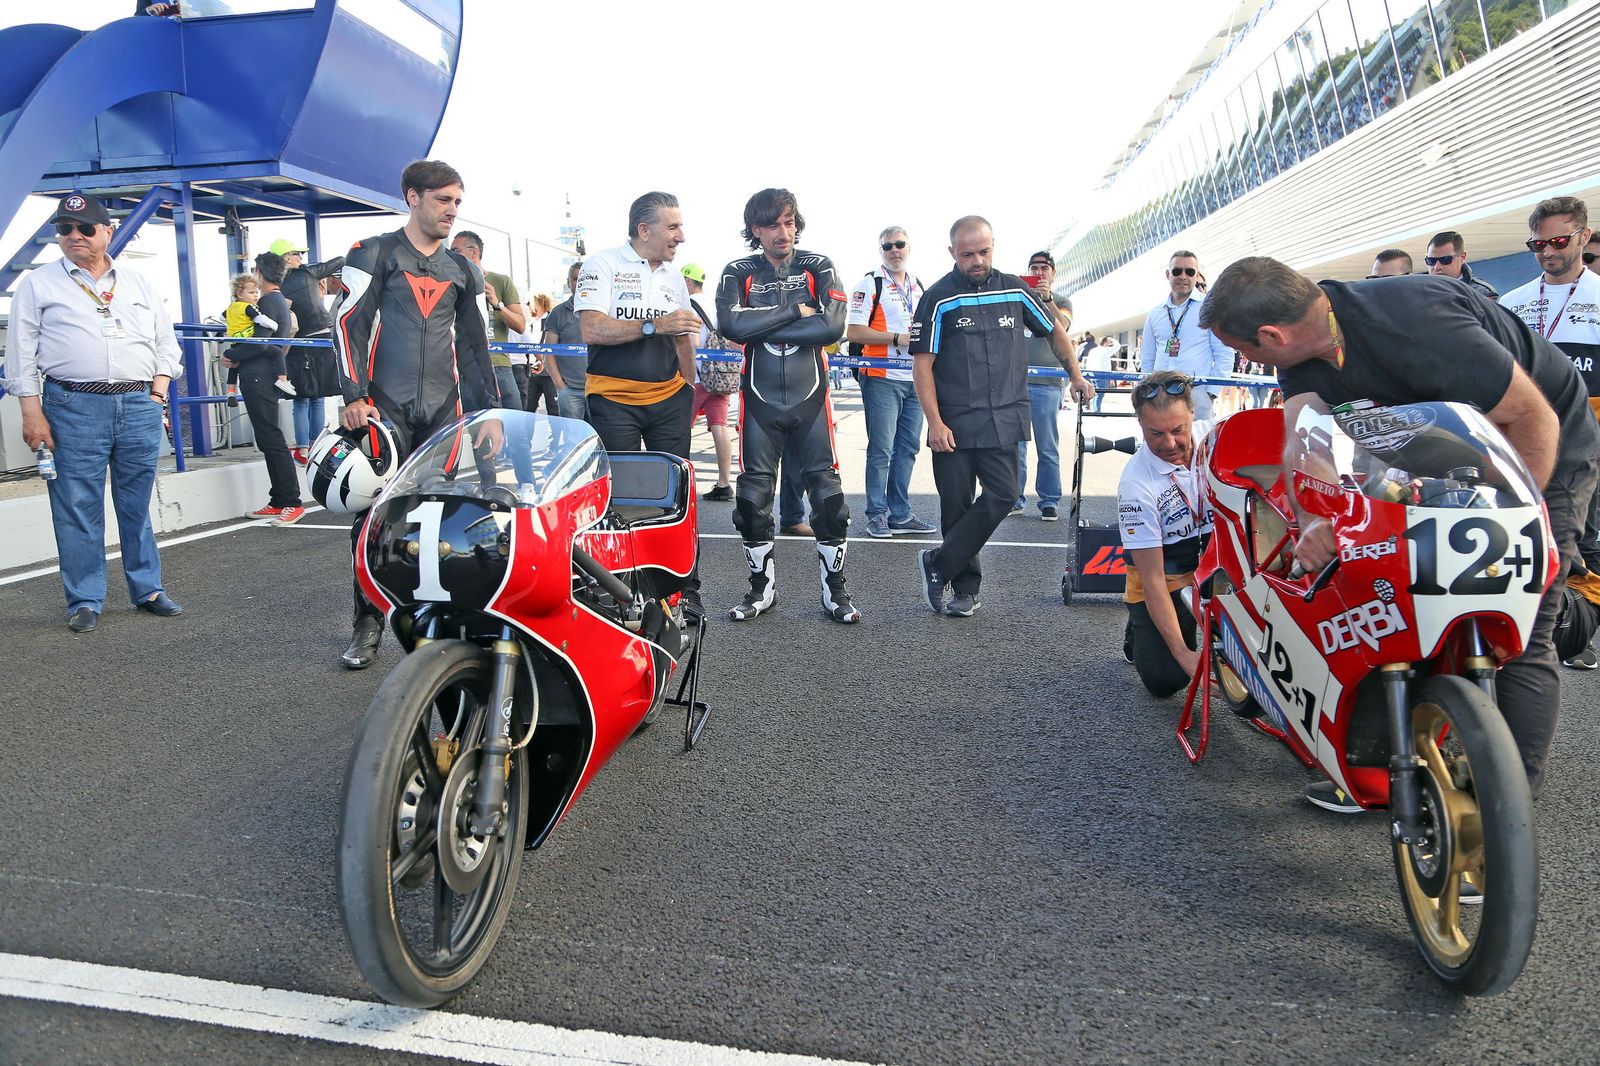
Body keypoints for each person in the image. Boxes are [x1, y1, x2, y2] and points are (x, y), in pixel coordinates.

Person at [1199, 256, 1600, 806]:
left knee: (1525, 616)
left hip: (1538, 445)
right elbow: (1300, 440)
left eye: (1247, 351)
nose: (1247, 361)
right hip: (1434, 447)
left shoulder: (1415, 324)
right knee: (1401, 594)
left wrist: (1509, 520)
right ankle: (1399, 764)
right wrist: (1316, 518)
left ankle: (1499, 821)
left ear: (1273, 334)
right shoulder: (1305, 352)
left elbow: (1534, 418)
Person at [330, 159, 499, 669]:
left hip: (445, 412)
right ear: (412, 197)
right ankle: (366, 624)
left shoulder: (464, 269)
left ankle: (433, 623)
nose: (451, 211)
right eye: (443, 200)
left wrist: (488, 410)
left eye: (457, 202)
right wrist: (355, 394)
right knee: (371, 518)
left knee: (442, 517)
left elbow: (474, 345)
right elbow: (348, 325)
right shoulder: (373, 252)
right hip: (383, 410)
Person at [2, 192, 185, 632]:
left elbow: (167, 345)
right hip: (72, 405)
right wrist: (32, 413)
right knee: (76, 505)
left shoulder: (138, 282)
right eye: (64, 229)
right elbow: (21, 355)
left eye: (85, 228)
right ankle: (84, 598)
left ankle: (148, 589)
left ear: (107, 231)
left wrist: (157, 394)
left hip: (139, 403)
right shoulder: (38, 283)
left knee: (136, 502)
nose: (74, 236)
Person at [910, 216, 1094, 618]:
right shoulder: (937, 298)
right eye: (967, 254)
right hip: (954, 422)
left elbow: (1054, 331)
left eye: (984, 251)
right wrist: (935, 422)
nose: (977, 260)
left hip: (1005, 417)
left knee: (1005, 494)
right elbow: (922, 366)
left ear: (994, 246)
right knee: (955, 507)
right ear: (952, 253)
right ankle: (965, 590)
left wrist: (1075, 374)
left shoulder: (1016, 289)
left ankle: (938, 563)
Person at [715, 188, 859, 623]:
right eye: (773, 224)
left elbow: (832, 327)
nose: (784, 232)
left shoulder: (819, 265)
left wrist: (765, 323)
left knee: (831, 502)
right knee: (750, 501)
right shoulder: (737, 271)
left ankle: (835, 592)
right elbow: (730, 325)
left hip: (810, 399)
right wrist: (797, 312)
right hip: (759, 403)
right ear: (755, 228)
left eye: (790, 222)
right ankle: (762, 591)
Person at [576, 191, 703, 617]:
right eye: (673, 227)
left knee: (677, 496)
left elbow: (683, 334)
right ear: (644, 229)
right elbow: (592, 330)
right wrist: (654, 324)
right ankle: (620, 591)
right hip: (614, 397)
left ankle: (683, 591)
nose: (681, 236)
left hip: (669, 396)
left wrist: (690, 383)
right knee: (621, 497)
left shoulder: (672, 275)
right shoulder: (602, 263)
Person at [1500, 195, 1600, 669]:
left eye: (1558, 241)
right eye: (1536, 244)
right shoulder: (1513, 302)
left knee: (1585, 536)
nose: (1546, 252)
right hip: (1521, 440)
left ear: (1583, 236)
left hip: (1587, 442)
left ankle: (1577, 631)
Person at [1117, 371, 1212, 696]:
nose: (1169, 444)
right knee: (1167, 681)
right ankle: (1141, 628)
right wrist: (1183, 654)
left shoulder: (1217, 438)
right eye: (1155, 434)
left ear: (1193, 414)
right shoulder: (1135, 485)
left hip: (1220, 570)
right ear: (1140, 425)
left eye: (1178, 430)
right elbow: (1154, 578)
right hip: (1166, 581)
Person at [845, 226, 935, 538]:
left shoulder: (919, 285)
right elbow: (854, 332)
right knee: (881, 449)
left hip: (916, 379)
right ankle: (876, 515)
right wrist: (898, 337)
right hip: (881, 377)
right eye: (888, 246)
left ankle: (901, 514)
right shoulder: (869, 284)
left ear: (909, 247)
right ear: (881, 250)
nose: (894, 250)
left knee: (908, 448)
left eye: (900, 245)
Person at [226, 251, 305, 525]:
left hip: (260, 375)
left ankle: (291, 501)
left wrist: (232, 354)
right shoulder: (278, 300)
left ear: (259, 272)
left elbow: (260, 343)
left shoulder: (268, 302)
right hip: (264, 374)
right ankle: (279, 499)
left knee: (271, 437)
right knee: (268, 437)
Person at [271, 237, 345, 464]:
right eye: (297, 254)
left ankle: (302, 450)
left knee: (301, 398)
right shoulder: (309, 273)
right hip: (322, 336)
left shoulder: (276, 283)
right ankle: (317, 445)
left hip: (296, 340)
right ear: (286, 257)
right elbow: (342, 260)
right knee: (318, 397)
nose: (301, 258)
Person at [1137, 250, 1234, 419]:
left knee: (1197, 444)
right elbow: (1147, 357)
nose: (1183, 276)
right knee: (1159, 444)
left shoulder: (1210, 308)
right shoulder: (1155, 313)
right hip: (1159, 394)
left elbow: (1224, 354)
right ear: (1168, 274)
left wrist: (1210, 393)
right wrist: (1148, 389)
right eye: (1177, 271)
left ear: (1197, 275)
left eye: (1189, 272)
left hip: (1196, 393)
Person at [1015, 251, 1075, 519]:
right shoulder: (1018, 298)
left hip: (1048, 383)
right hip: (1015, 382)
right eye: (1034, 268)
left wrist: (1047, 299)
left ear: (1053, 273)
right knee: (1015, 445)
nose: (1039, 272)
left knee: (1047, 445)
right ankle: (1013, 498)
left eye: (1044, 268)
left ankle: (1049, 500)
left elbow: (1061, 325)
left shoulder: (1062, 301)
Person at [450, 230, 526, 411]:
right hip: (467, 368)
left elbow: (520, 325)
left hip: (499, 365)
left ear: (474, 252)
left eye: (456, 251)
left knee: (514, 429)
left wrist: (497, 304)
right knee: (479, 433)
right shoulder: (451, 281)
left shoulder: (501, 281)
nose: (450, 255)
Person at [681, 262, 736, 501]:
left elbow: (692, 343)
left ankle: (680, 484)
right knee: (720, 426)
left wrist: (688, 375)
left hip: (698, 377)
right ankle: (724, 482)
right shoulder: (715, 306)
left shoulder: (690, 306)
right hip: (720, 376)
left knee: (680, 428)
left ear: (688, 282)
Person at [221, 273, 292, 404]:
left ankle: (230, 392)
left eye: (257, 292)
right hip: (249, 341)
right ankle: (282, 380)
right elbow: (260, 319)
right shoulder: (249, 307)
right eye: (251, 292)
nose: (256, 295)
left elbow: (222, 318)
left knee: (233, 367)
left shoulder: (231, 308)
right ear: (239, 294)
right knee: (277, 353)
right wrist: (274, 325)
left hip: (235, 342)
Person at [544, 262, 587, 420]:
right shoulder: (558, 313)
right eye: (576, 278)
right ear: (568, 282)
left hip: (600, 389)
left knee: (602, 439)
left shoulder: (605, 309)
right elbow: (548, 352)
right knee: (573, 439)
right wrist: (560, 386)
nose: (580, 282)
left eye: (584, 278)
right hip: (571, 392)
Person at [1426, 230, 1499, 300]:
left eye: (1445, 260)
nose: (1437, 267)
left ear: (1462, 257)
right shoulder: (1419, 292)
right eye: (1431, 261)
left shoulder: (1481, 293)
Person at [1084, 334, 1117, 413]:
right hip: (1102, 374)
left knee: (1094, 392)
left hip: (1093, 374)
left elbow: (1088, 362)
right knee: (1100, 393)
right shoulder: (1106, 350)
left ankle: (1092, 407)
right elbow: (1118, 346)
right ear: (1105, 343)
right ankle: (1096, 410)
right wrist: (1112, 339)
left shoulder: (1093, 350)